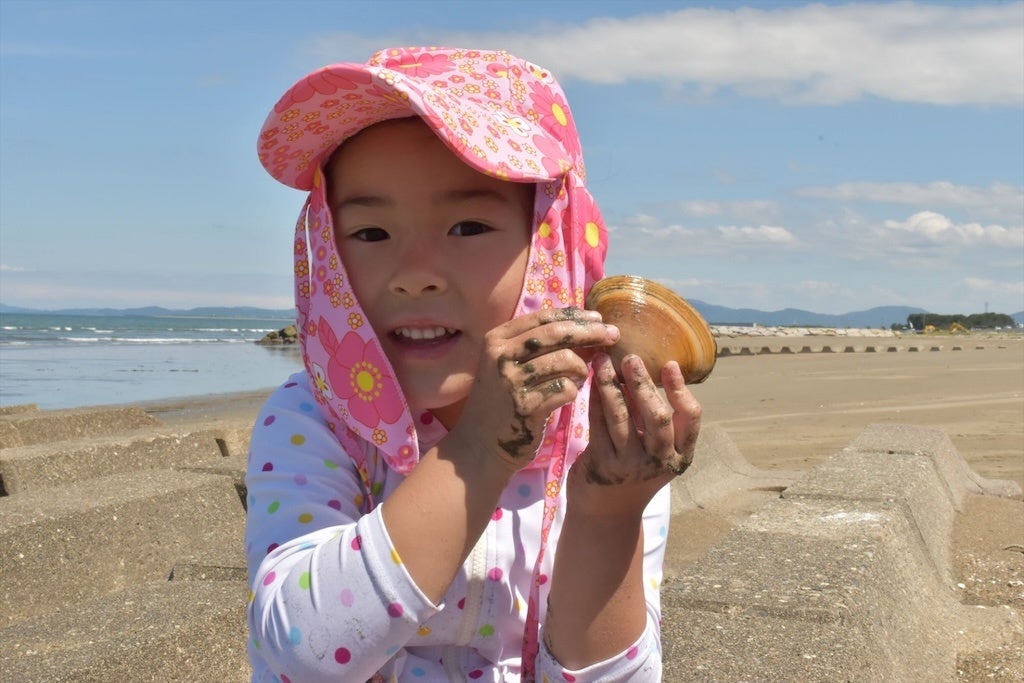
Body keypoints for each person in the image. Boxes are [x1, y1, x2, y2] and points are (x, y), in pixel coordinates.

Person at [245, 46, 702, 683]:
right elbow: (299, 648)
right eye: (371, 233)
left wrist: (610, 514)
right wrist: (479, 449)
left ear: (552, 239)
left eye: (467, 226)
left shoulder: (594, 437)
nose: (415, 276)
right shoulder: (316, 421)